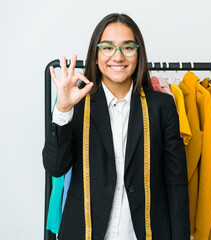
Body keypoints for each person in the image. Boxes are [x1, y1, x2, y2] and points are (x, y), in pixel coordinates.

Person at [42, 13, 190, 240]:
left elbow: (176, 183)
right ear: (95, 56)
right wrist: (62, 110)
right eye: (108, 48)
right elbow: (55, 167)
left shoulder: (162, 106)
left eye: (128, 47)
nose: (118, 57)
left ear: (138, 54)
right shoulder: (77, 104)